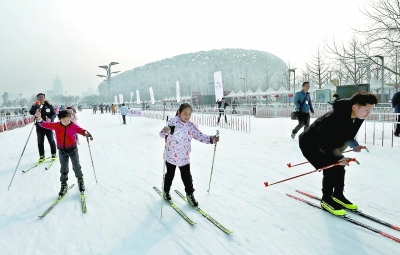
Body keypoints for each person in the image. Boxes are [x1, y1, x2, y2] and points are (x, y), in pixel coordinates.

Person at [299, 92, 378, 216]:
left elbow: (349, 134)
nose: (369, 113)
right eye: (367, 109)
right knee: (331, 167)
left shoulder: (358, 116)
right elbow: (324, 143)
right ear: (354, 107)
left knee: (339, 166)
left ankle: (338, 195)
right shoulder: (334, 118)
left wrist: (354, 145)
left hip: (328, 143)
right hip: (311, 144)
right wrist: (339, 157)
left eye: (370, 110)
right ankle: (326, 199)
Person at [160, 103, 219, 207]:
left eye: (189, 114)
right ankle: (166, 191)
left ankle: (190, 194)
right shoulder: (173, 123)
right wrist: (164, 131)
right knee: (170, 175)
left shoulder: (191, 126)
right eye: (185, 114)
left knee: (187, 177)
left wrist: (211, 139)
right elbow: (162, 134)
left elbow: (200, 136)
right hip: (171, 157)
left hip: (184, 157)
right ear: (179, 113)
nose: (187, 117)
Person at [34, 110, 92, 196]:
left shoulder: (73, 125)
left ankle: (80, 181)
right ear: (60, 119)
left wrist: (85, 133)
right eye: (64, 120)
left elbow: (80, 130)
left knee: (76, 167)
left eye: (68, 120)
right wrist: (38, 118)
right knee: (64, 169)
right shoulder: (56, 125)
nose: (66, 122)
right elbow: (45, 124)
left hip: (73, 149)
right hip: (62, 151)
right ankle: (64, 184)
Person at [29, 93, 57, 162]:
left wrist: (50, 119)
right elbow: (31, 111)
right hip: (39, 127)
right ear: (37, 98)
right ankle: (42, 156)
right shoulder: (35, 105)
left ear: (44, 98)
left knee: (51, 141)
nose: (41, 98)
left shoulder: (49, 105)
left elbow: (54, 113)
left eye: (42, 97)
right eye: (39, 97)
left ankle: (53, 154)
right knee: (40, 142)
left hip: (48, 126)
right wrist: (36, 109)